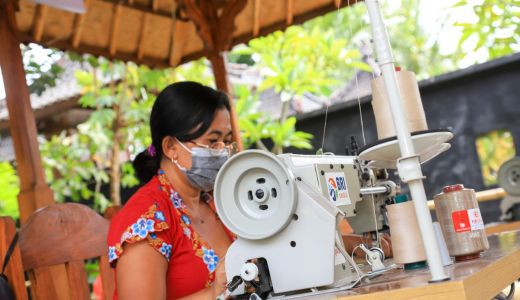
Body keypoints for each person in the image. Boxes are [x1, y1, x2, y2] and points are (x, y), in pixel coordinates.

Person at [107, 81, 236, 299]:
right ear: (171, 147)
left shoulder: (217, 202)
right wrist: (214, 294)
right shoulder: (145, 220)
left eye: (227, 141)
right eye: (213, 142)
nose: (222, 151)